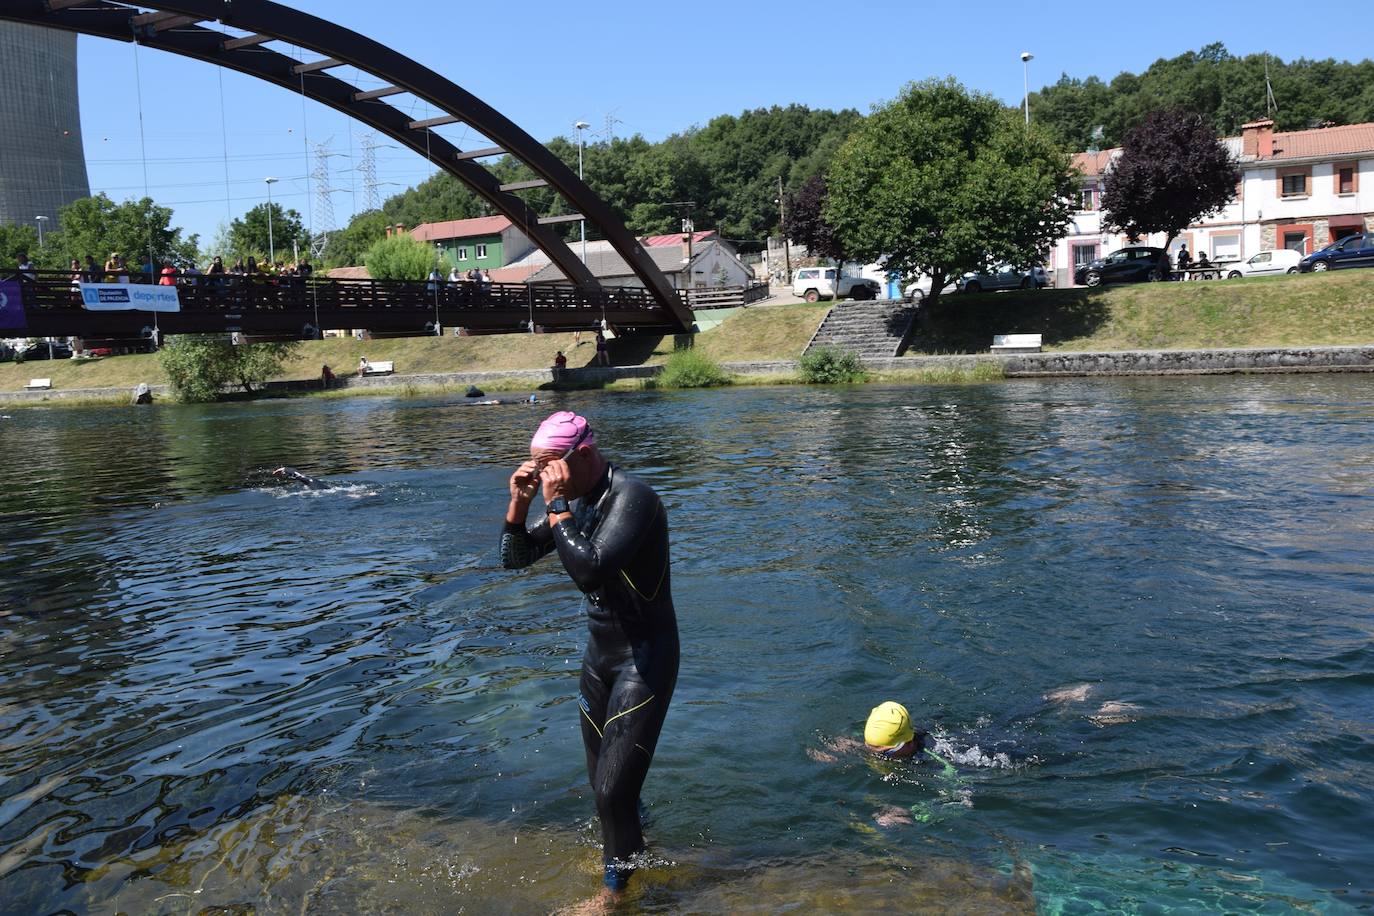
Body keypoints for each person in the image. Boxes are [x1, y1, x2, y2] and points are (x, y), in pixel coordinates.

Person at [499, 412, 679, 904]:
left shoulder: (633, 499)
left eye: (548, 467)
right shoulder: (581, 500)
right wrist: (520, 502)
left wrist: (556, 506)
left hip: (644, 661)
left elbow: (590, 571)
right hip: (600, 659)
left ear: (582, 454)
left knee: (612, 794)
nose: (544, 477)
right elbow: (514, 558)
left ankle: (616, 896)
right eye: (538, 469)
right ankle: (637, 854)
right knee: (607, 787)